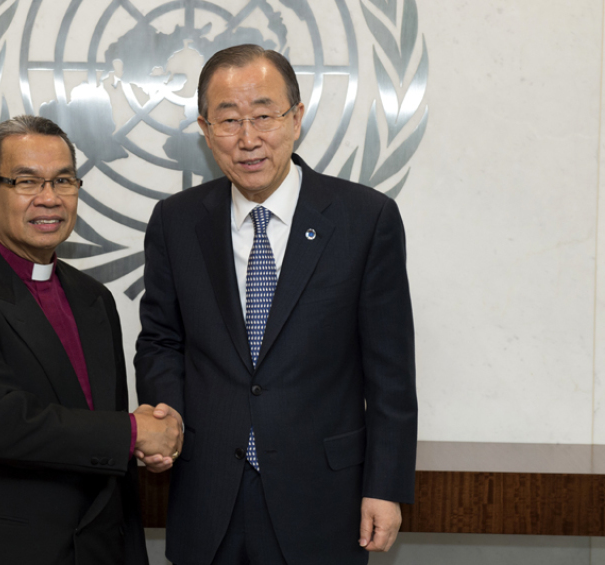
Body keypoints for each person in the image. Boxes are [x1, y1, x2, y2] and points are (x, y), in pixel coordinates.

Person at [135, 44, 417, 565]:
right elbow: (161, 340)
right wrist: (165, 419)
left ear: (296, 118)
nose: (248, 139)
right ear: (204, 128)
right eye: (228, 120)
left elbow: (391, 372)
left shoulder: (364, 218)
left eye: (264, 116)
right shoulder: (176, 221)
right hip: (208, 489)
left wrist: (386, 485)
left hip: (323, 497)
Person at [0, 115, 182, 564]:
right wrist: (135, 432)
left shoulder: (93, 298)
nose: (50, 199)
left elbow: (102, 440)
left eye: (63, 181)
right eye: (26, 181)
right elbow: (6, 424)